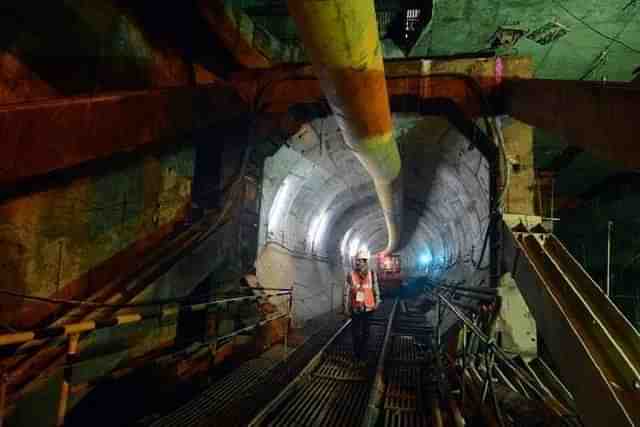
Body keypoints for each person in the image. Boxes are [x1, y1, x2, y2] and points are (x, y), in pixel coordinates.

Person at [343, 252, 381, 364]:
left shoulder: (371, 273)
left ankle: (363, 354)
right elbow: (347, 292)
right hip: (356, 309)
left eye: (359, 261)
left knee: (366, 333)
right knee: (355, 333)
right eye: (356, 261)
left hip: (369, 309)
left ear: (365, 262)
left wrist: (377, 300)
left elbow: (375, 287)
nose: (357, 263)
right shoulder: (351, 274)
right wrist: (345, 307)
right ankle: (357, 354)